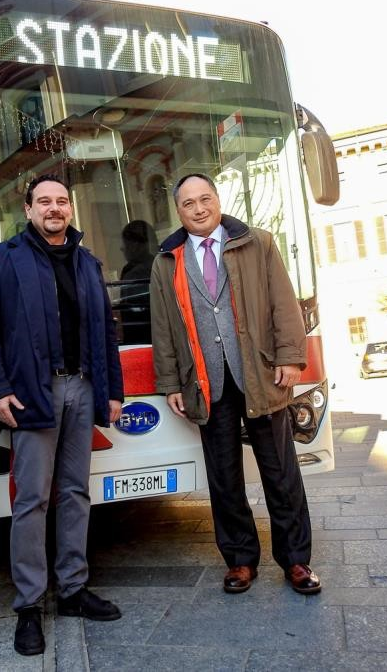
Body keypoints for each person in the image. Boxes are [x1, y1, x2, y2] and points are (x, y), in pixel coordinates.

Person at [0, 174, 125, 656]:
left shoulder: (87, 262)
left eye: (61, 201)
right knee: (32, 500)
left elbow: (106, 330)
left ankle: (73, 589)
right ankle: (29, 606)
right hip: (32, 393)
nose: (54, 208)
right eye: (44, 201)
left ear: (70, 209)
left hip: (83, 387)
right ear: (29, 209)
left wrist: (112, 391)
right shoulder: (4, 259)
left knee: (76, 492)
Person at [149, 173, 321, 596]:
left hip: (261, 373)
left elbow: (283, 302)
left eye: (205, 198)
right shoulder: (166, 260)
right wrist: (171, 382)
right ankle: (240, 560)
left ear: (218, 199)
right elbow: (163, 327)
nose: (199, 208)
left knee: (280, 473)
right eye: (189, 203)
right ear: (178, 210)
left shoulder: (257, 243)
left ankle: (296, 560)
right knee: (223, 478)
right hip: (206, 383)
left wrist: (290, 356)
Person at [118, 219, 158, 344]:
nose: (122, 248)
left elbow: (131, 310)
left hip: (140, 339)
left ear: (135, 245)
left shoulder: (134, 273)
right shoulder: (158, 264)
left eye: (125, 243)